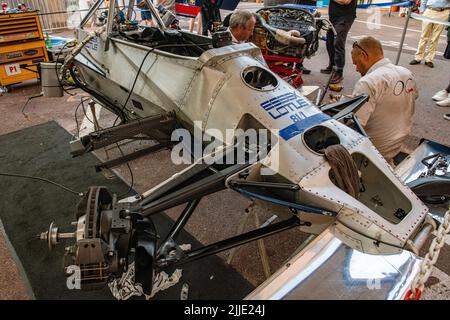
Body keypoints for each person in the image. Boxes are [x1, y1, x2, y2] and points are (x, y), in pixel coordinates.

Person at [351, 37, 418, 165]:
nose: (356, 69)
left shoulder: (368, 82)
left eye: (356, 63)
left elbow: (355, 126)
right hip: (396, 145)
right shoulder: (406, 73)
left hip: (373, 152)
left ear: (364, 56)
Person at [320, 0, 357, 84]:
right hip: (334, 17)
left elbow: (346, 1)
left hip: (345, 17)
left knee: (338, 42)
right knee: (329, 41)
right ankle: (332, 66)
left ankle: (339, 72)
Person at [409, 0, 450, 68]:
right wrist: (422, 10)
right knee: (424, 36)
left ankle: (429, 59)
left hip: (443, 12)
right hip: (429, 10)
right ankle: (418, 58)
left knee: (435, 38)